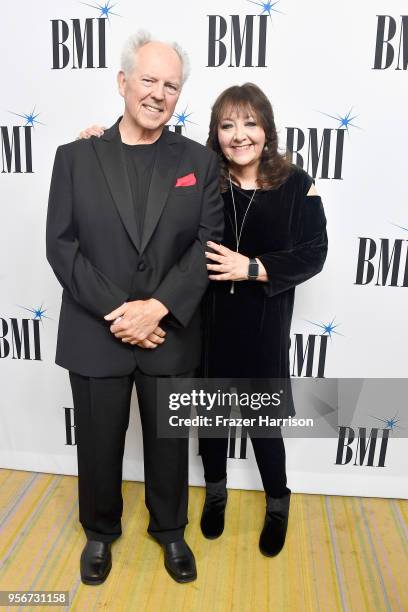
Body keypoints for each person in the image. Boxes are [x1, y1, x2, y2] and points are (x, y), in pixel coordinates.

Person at [79, 83, 328, 558]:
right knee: (211, 422)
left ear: (267, 129)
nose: (240, 135)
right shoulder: (201, 175)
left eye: (250, 123)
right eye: (228, 125)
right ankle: (216, 493)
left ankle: (278, 502)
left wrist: (252, 268)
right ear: (216, 133)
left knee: (264, 422)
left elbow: (315, 252)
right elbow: (141, 158)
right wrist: (95, 145)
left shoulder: (296, 183)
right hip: (205, 323)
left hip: (262, 326)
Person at [46, 30, 224, 586]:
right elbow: (62, 244)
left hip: (168, 332)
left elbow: (207, 244)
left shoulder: (199, 161)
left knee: (169, 443)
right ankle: (100, 532)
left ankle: (170, 531)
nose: (158, 94)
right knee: (98, 442)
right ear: (123, 83)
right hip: (98, 329)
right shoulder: (75, 156)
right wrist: (124, 312)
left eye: (171, 85)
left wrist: (159, 309)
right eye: (148, 80)